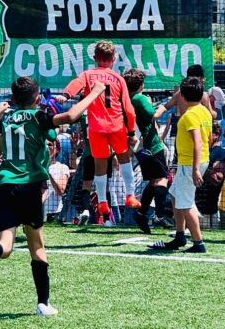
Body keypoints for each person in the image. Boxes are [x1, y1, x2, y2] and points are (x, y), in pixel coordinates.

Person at [0, 78, 106, 317]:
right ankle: (43, 303)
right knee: (37, 246)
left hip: (4, 185)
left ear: (12, 100)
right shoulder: (39, 116)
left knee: (5, 245)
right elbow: (71, 115)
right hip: (30, 185)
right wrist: (95, 92)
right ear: (37, 99)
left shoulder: (6, 117)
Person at [56, 40, 141, 216]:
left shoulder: (87, 75)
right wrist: (131, 132)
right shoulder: (118, 78)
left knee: (100, 163)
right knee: (124, 159)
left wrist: (65, 95)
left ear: (95, 58)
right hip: (116, 125)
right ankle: (131, 195)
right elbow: (129, 110)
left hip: (96, 127)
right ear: (114, 58)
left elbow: (75, 84)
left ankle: (102, 201)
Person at [150, 76, 211, 253]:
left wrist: (194, 169)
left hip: (190, 163)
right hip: (194, 162)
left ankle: (198, 243)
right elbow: (208, 138)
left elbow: (198, 142)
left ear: (182, 96)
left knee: (186, 203)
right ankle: (179, 236)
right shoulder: (204, 111)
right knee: (176, 195)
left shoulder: (189, 116)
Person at [122, 68, 178, 233]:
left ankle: (141, 213)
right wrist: (162, 105)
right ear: (140, 84)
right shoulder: (140, 98)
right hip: (152, 144)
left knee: (154, 181)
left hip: (140, 147)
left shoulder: (127, 99)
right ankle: (160, 214)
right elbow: (152, 115)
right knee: (162, 179)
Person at [196, 123, 225, 229]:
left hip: (208, 212)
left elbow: (217, 180)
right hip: (193, 208)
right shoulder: (200, 152)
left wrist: (198, 169)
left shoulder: (221, 153)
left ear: (216, 134)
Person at [44, 139, 70, 222]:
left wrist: (48, 173)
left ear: (57, 149)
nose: (47, 147)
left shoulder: (63, 167)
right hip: (37, 211)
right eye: (45, 145)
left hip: (54, 213)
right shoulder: (34, 167)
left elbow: (61, 191)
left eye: (50, 145)